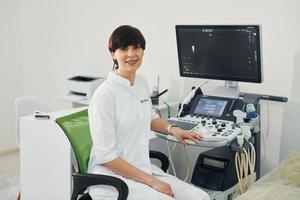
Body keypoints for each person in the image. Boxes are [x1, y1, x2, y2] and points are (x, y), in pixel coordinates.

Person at [88, 25, 210, 200]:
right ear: (113, 54)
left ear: (143, 51)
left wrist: (173, 130)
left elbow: (150, 117)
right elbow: (106, 157)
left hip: (142, 169)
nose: (131, 54)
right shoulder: (104, 95)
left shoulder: (141, 82)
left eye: (136, 47)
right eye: (124, 49)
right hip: (112, 179)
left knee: (201, 197)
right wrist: (153, 183)